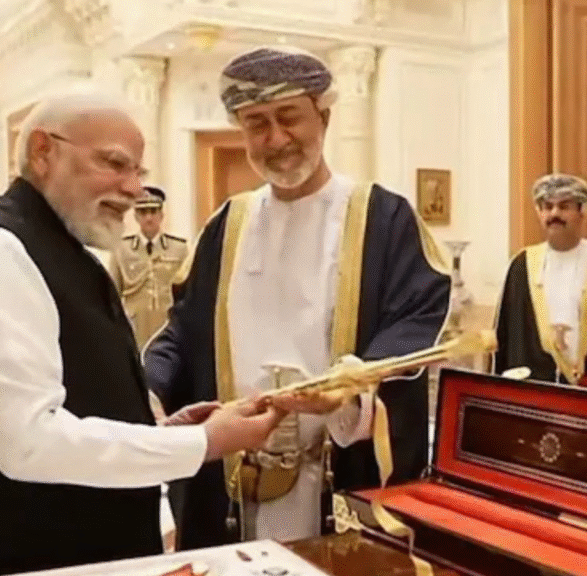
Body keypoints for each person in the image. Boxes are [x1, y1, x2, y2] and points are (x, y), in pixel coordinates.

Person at [0, 93, 284, 576]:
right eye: (114, 164)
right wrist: (204, 443)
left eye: (138, 171)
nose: (132, 189)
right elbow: (28, 440)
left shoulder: (65, 249)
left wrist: (156, 431)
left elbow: (70, 396)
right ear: (43, 152)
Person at [144, 46, 451, 550]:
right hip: (232, 482)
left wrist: (348, 387)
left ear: (323, 117)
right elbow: (184, 330)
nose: (276, 139)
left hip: (333, 472)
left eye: (289, 118)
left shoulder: (382, 217)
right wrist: (149, 389)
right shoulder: (226, 224)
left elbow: (414, 322)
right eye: (256, 124)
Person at [493, 174, 587, 392]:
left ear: (583, 211)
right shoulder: (522, 264)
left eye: (564, 207)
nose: (554, 214)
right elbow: (503, 336)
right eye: (547, 207)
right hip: (535, 392)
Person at [109, 186, 189, 348]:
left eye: (153, 212)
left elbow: (188, 294)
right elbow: (112, 296)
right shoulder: (121, 249)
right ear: (136, 217)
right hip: (134, 329)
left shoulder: (179, 249)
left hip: (168, 328)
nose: (149, 218)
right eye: (143, 213)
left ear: (161, 215)